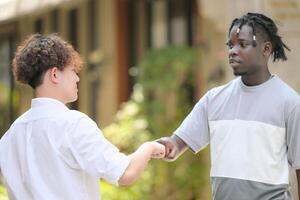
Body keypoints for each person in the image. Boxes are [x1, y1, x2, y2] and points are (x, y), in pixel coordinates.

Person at [0, 34, 165, 200]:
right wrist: (148, 147)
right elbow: (126, 173)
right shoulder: (73, 124)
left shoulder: (10, 136)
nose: (77, 78)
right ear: (55, 75)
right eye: (72, 71)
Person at [158, 12, 300, 200]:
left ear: (266, 49)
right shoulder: (214, 99)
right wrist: (168, 145)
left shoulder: (289, 102)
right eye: (230, 45)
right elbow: (177, 142)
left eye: (242, 44)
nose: (233, 51)